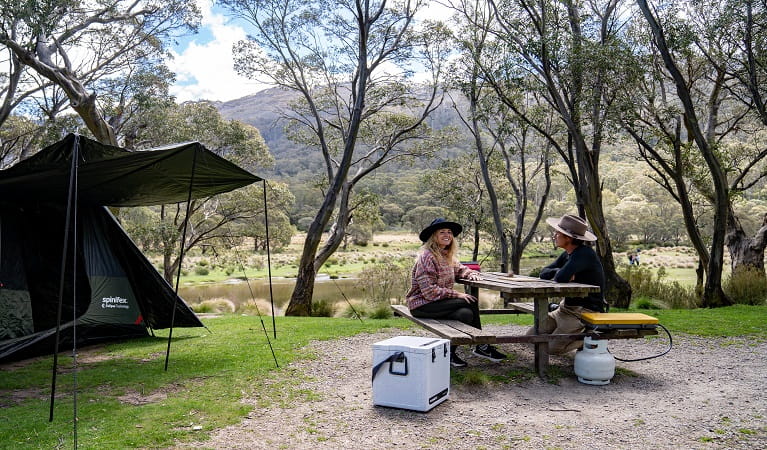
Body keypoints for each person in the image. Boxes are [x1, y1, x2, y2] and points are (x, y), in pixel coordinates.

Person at [405, 218, 507, 367]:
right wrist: (458, 295)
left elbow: (461, 269)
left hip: (438, 304)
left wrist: (470, 274)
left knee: (465, 314)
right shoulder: (427, 257)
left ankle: (450, 354)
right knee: (470, 300)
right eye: (442, 232)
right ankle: (482, 346)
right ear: (434, 236)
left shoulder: (447, 255)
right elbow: (429, 291)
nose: (447, 235)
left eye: (449, 232)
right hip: (422, 304)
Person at [528, 214, 606, 355]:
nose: (554, 236)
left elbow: (561, 277)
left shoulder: (584, 254)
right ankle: (569, 336)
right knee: (530, 337)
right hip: (564, 309)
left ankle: (593, 337)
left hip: (582, 312)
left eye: (557, 233)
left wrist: (561, 274)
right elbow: (544, 273)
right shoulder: (567, 254)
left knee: (551, 349)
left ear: (568, 237)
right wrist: (560, 271)